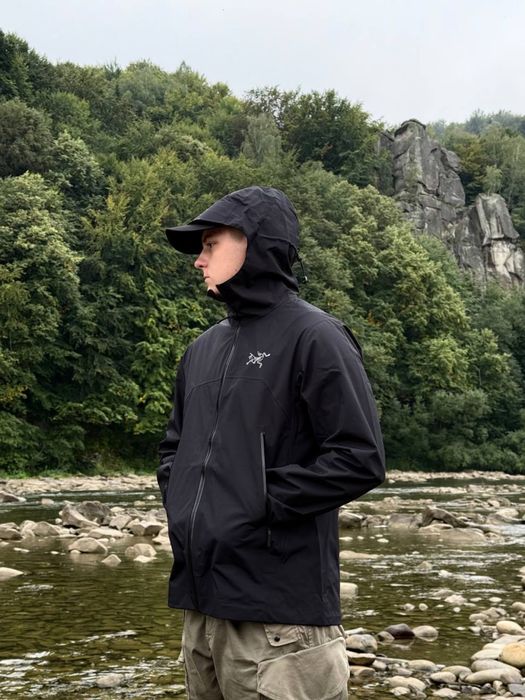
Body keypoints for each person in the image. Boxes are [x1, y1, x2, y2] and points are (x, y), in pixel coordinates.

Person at [157, 186, 385, 700]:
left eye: (210, 245)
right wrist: (184, 504)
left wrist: (253, 503)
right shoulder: (201, 350)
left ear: (257, 243)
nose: (198, 260)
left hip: (281, 621)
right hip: (201, 610)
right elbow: (173, 450)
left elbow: (359, 458)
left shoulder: (316, 335)